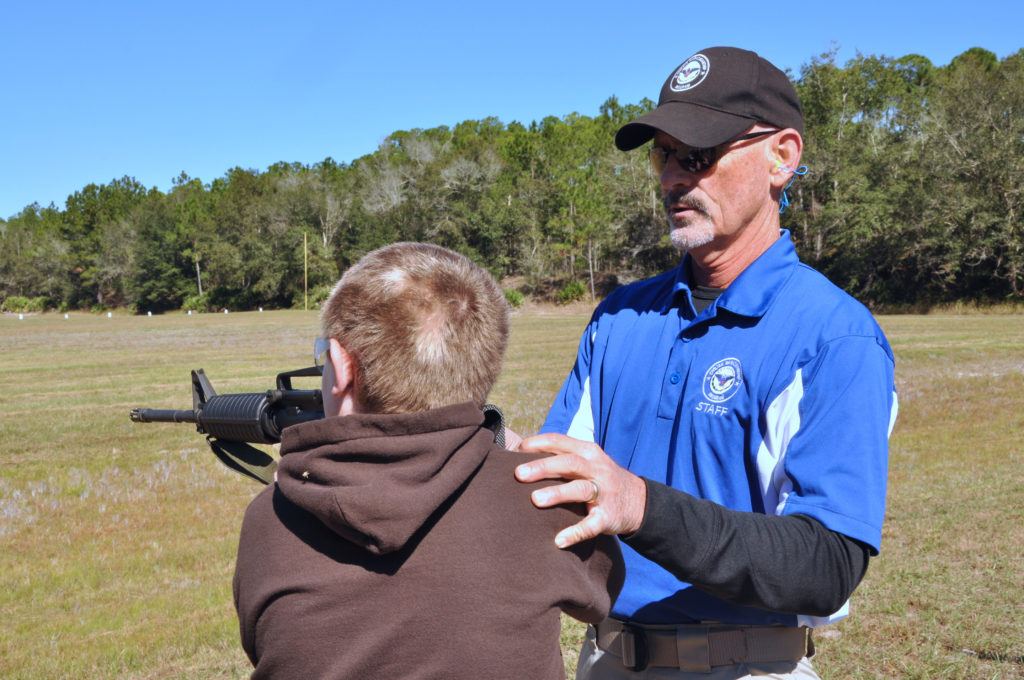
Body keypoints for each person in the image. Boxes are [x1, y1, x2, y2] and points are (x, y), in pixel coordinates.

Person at [514, 47, 898, 679]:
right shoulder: (619, 317)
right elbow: (561, 479)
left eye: (698, 155)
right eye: (663, 155)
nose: (671, 179)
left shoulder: (834, 336)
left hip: (747, 666)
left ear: (783, 156)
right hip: (605, 659)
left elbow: (827, 565)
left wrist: (641, 506)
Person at [233, 242, 624, 679]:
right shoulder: (544, 503)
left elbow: (263, 643)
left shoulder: (271, 518)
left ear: (342, 367)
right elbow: (601, 594)